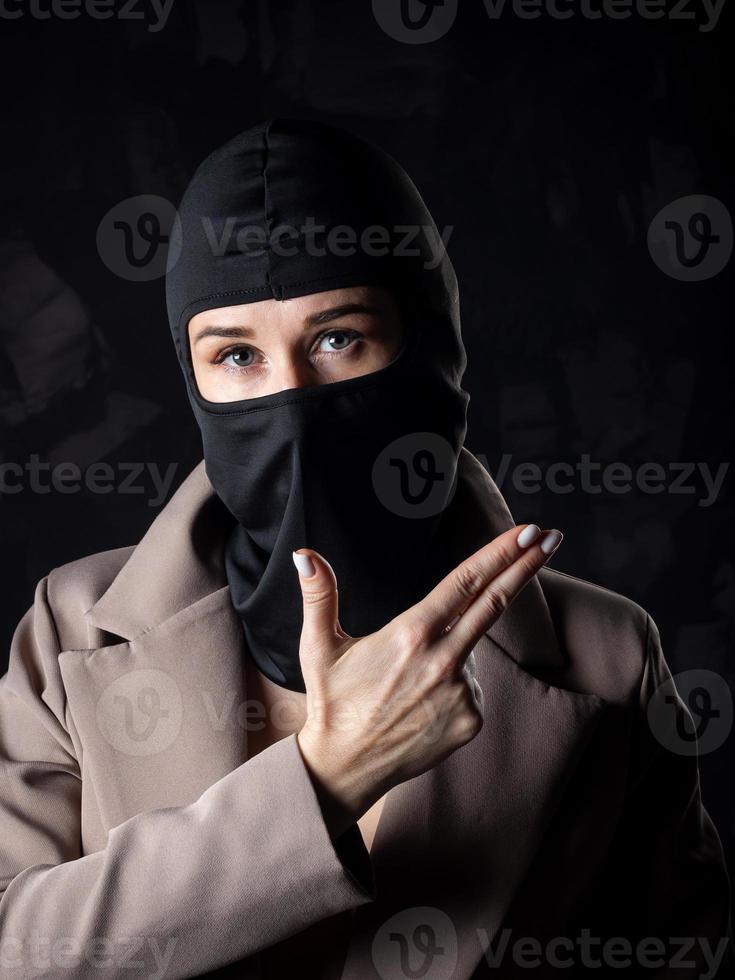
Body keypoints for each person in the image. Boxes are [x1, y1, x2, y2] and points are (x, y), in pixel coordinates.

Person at [0, 118, 731, 979]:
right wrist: (324, 779)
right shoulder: (71, 630)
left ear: (431, 347)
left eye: (339, 338)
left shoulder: (608, 658)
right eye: (235, 355)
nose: (290, 404)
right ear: (190, 379)